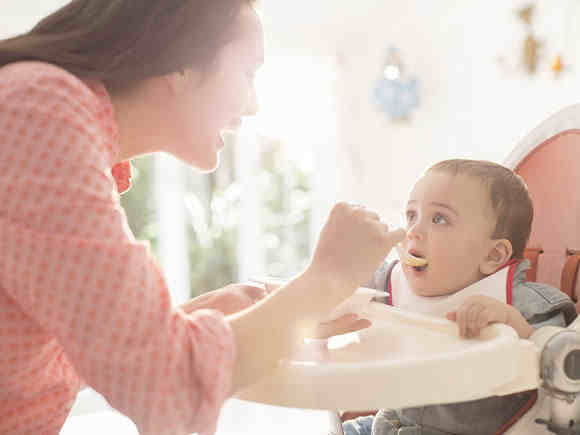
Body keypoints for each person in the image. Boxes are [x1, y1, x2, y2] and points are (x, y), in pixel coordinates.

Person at [0, 2, 405, 434]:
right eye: (248, 73)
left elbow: (55, 358)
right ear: (181, 64)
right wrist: (325, 280)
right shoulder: (37, 112)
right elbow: (167, 388)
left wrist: (198, 319)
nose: (252, 105)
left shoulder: (43, 113)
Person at [343, 159, 577, 435]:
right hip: (388, 425)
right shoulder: (388, 281)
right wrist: (347, 266)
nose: (413, 231)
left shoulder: (526, 306)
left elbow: (559, 371)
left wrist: (515, 329)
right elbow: (332, 294)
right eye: (411, 215)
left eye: (439, 219)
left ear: (493, 256)